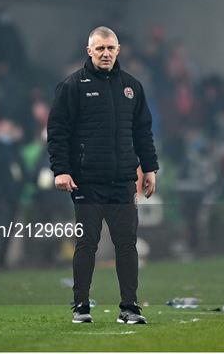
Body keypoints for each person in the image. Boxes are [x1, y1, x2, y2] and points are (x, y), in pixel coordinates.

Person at [47, 26, 158, 324]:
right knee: (87, 244)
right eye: (100, 49)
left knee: (127, 244)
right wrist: (61, 170)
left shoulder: (132, 87)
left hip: (123, 180)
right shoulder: (72, 86)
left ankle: (129, 308)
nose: (106, 53)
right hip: (87, 181)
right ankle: (81, 306)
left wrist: (150, 168)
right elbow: (57, 132)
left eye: (110, 48)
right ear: (89, 51)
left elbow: (143, 132)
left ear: (118, 50)